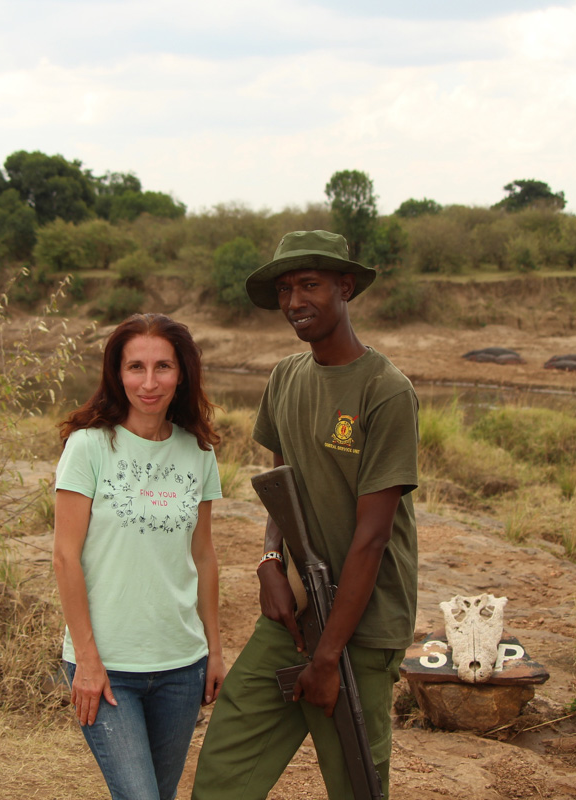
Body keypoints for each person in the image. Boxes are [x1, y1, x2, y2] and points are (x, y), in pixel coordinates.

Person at [192, 230, 419, 799]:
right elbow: (280, 490)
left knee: (356, 783)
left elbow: (371, 540)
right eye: (286, 288)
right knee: (226, 764)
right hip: (295, 612)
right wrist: (270, 560)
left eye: (310, 285)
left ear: (346, 287)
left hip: (361, 627)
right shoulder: (285, 379)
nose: (295, 301)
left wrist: (328, 657)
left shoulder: (385, 391)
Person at [53, 313, 226, 800]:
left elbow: (205, 557)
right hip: (108, 667)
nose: (149, 383)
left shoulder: (199, 452)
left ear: (182, 374)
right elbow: (65, 558)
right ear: (117, 373)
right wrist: (86, 659)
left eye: (163, 367)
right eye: (135, 368)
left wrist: (214, 649)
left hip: (181, 665)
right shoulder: (88, 447)